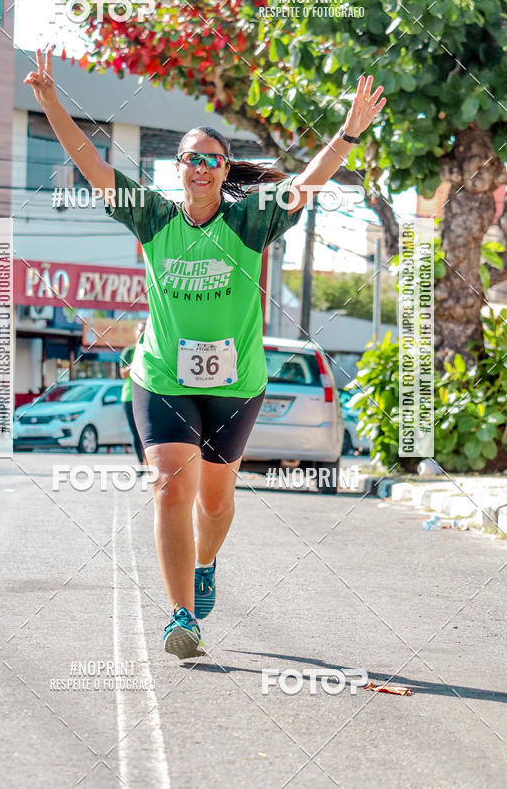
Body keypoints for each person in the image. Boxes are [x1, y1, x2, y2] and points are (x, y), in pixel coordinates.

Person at [25, 45, 386, 659]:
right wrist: (54, 105)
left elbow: (308, 182)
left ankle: (205, 565)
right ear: (178, 168)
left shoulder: (252, 221)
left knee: (216, 502)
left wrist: (350, 133)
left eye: (211, 160)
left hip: (237, 383)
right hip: (163, 373)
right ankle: (180, 617)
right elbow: (90, 163)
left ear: (224, 170)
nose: (199, 168)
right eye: (189, 158)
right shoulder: (152, 216)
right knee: (170, 486)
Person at [119, 321, 146, 464]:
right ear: (135, 332)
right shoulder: (129, 352)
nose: (143, 332)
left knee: (148, 434)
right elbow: (123, 374)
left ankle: (150, 465)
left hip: (147, 395)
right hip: (129, 397)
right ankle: (142, 465)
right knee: (136, 433)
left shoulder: (153, 350)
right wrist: (136, 362)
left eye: (146, 329)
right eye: (141, 330)